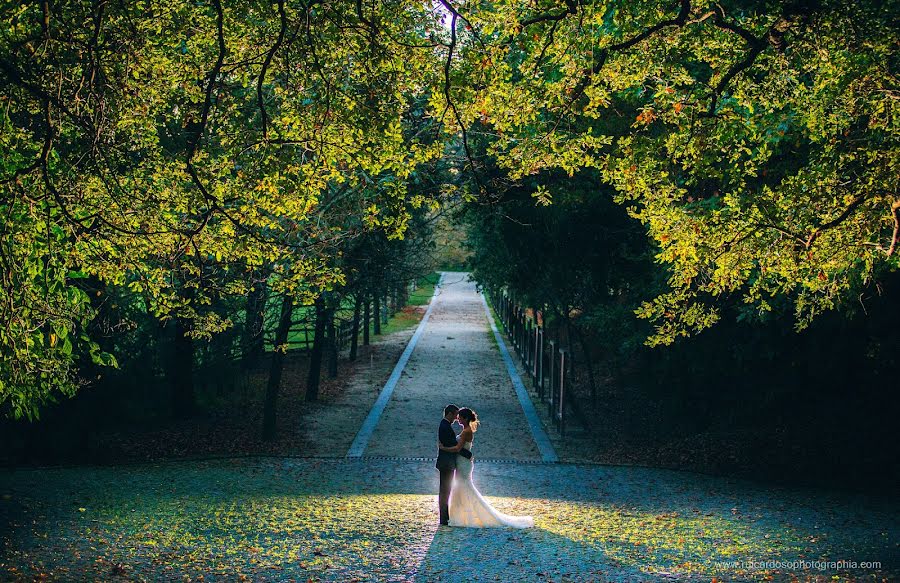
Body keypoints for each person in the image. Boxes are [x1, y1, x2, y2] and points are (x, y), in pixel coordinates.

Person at [438, 407, 534, 528]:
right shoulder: (465, 430)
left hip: (463, 464)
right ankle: (459, 516)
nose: (458, 419)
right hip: (462, 462)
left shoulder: (467, 431)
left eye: (460, 417)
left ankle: (464, 516)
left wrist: (443, 448)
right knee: (461, 487)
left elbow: (457, 448)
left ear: (465, 418)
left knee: (464, 487)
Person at [435, 404, 460, 526]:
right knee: (445, 491)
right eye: (455, 414)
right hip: (446, 463)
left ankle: (445, 517)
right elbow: (453, 445)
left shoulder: (445, 425)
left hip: (446, 463)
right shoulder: (445, 426)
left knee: (445, 490)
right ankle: (444, 518)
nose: (456, 417)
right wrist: (467, 453)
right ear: (450, 413)